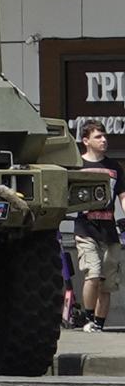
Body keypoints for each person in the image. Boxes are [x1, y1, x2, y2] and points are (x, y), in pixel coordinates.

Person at [74, 122, 123, 331]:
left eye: (104, 136)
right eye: (98, 137)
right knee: (92, 273)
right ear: (86, 141)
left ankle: (99, 325)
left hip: (109, 229)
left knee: (108, 282)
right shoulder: (77, 166)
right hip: (86, 228)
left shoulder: (114, 167)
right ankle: (87, 318)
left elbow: (122, 195)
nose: (103, 140)